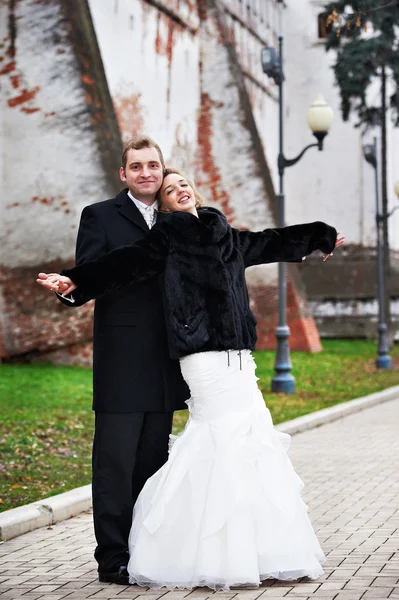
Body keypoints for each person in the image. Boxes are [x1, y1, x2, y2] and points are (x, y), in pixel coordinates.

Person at [38, 168, 344, 590]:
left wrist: (318, 236)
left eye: (183, 183)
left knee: (250, 443)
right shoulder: (167, 237)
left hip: (239, 357)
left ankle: (251, 549)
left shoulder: (223, 231)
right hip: (202, 356)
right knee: (214, 440)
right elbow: (121, 265)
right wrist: (75, 282)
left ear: (194, 191)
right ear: (163, 204)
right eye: (169, 189)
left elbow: (269, 241)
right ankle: (178, 548)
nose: (179, 190)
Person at [37, 141, 189, 586]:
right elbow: (90, 274)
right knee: (115, 466)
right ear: (123, 173)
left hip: (166, 362)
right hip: (122, 363)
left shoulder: (176, 217)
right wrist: (70, 286)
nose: (146, 173)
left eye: (153, 166)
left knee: (152, 465)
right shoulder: (99, 216)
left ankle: (146, 551)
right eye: (136, 167)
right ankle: (113, 558)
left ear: (163, 171)